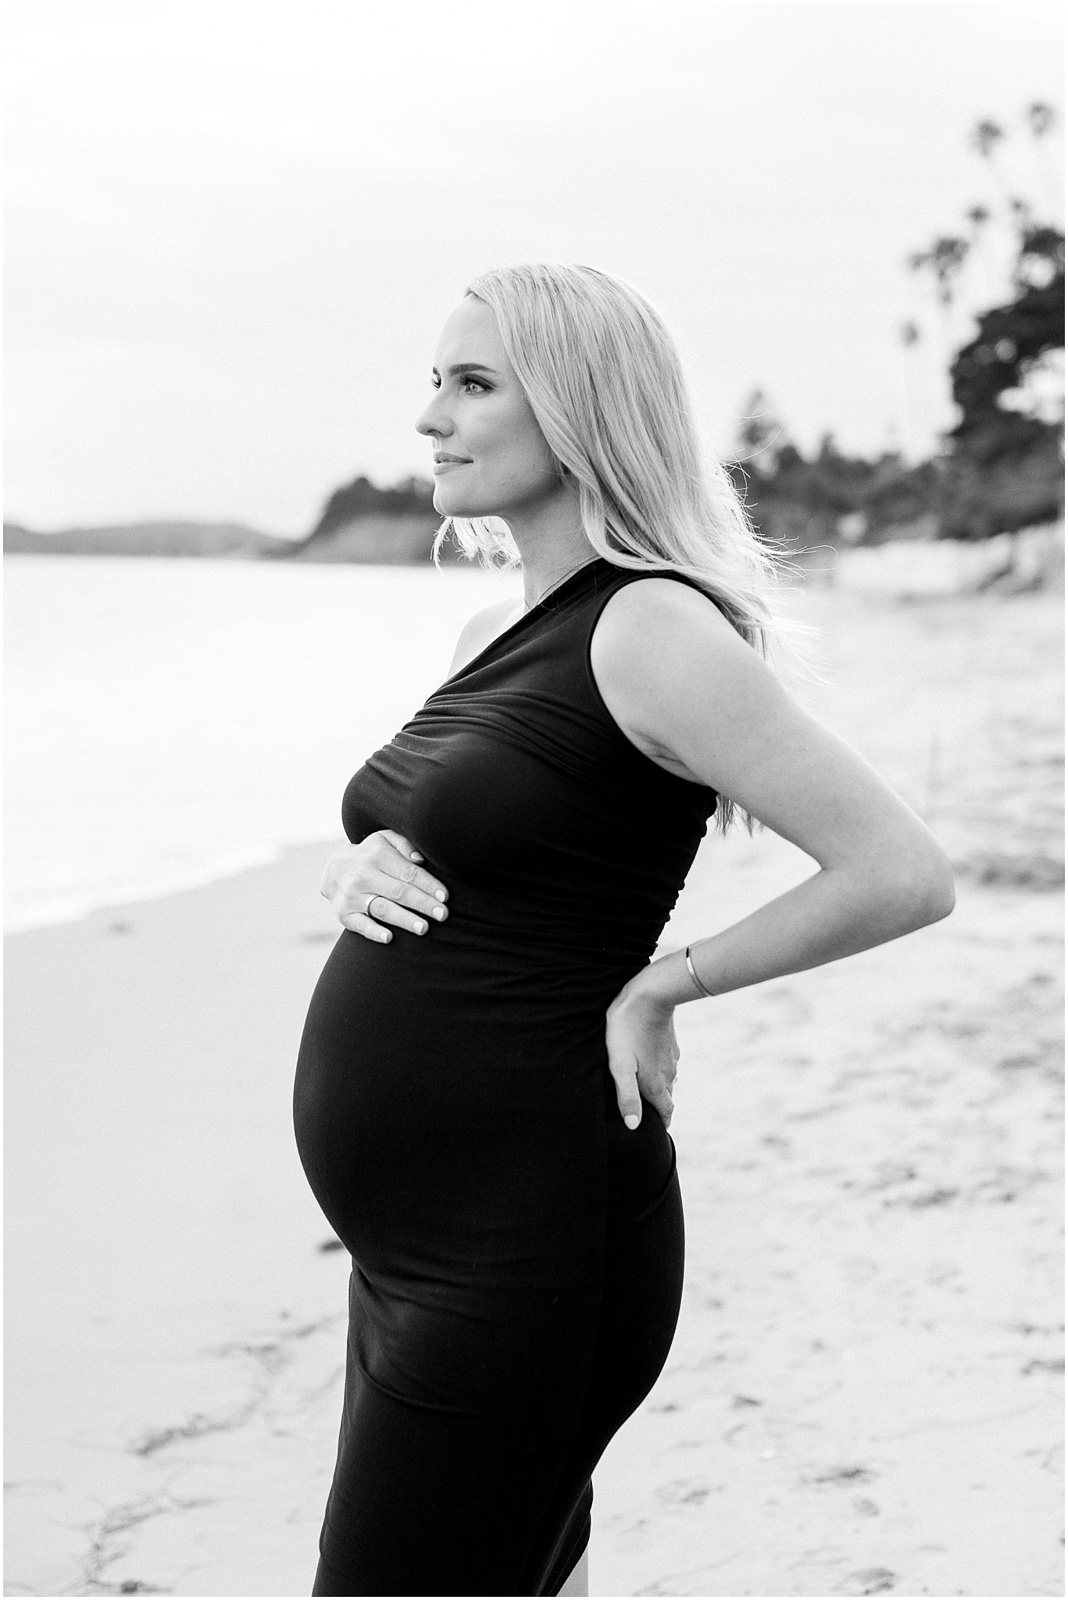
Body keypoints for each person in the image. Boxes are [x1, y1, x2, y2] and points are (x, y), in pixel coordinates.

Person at [292, 262, 954, 1598]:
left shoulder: (650, 629)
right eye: (435, 381)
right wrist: (362, 858)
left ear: (582, 410)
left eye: (474, 383)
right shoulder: (500, 625)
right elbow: (470, 829)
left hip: (529, 1233)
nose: (430, 418)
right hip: (422, 1242)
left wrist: (665, 985)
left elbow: (898, 870)